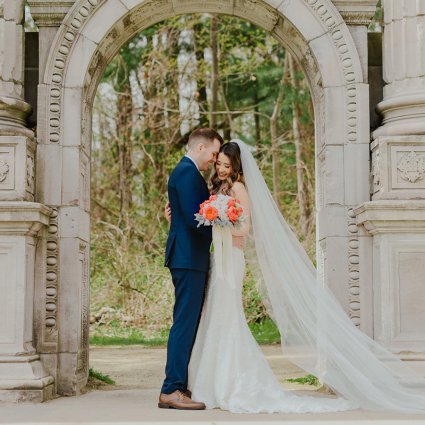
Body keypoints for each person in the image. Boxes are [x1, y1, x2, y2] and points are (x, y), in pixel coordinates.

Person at [186, 140, 425, 414]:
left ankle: (231, 381)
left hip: (233, 258)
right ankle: (209, 379)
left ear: (236, 166)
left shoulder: (239, 188)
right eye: (219, 164)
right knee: (214, 312)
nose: (222, 169)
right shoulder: (215, 188)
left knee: (228, 314)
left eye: (227, 166)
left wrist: (222, 224)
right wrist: (210, 220)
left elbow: (245, 228)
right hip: (220, 258)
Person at [158, 128, 223, 410]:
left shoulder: (188, 173)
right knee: (184, 323)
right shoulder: (187, 173)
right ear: (200, 148)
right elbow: (195, 220)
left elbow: (184, 214)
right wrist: (223, 228)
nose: (214, 159)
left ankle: (179, 385)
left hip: (188, 257)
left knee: (187, 322)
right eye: (213, 153)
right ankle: (171, 389)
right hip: (187, 258)